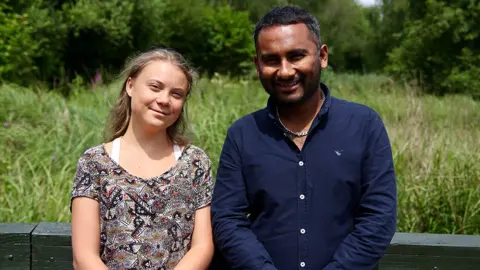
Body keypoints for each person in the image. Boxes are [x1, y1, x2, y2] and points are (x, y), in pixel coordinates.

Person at [210, 6, 397, 270]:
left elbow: (379, 218)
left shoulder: (364, 125)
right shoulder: (242, 134)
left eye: (296, 56)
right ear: (257, 65)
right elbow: (228, 220)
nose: (285, 71)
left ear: (322, 56)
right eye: (272, 59)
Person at [70, 48, 215, 270]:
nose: (164, 100)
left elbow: (202, 246)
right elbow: (84, 257)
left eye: (176, 94)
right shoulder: (94, 163)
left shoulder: (195, 162)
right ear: (130, 86)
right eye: (155, 87)